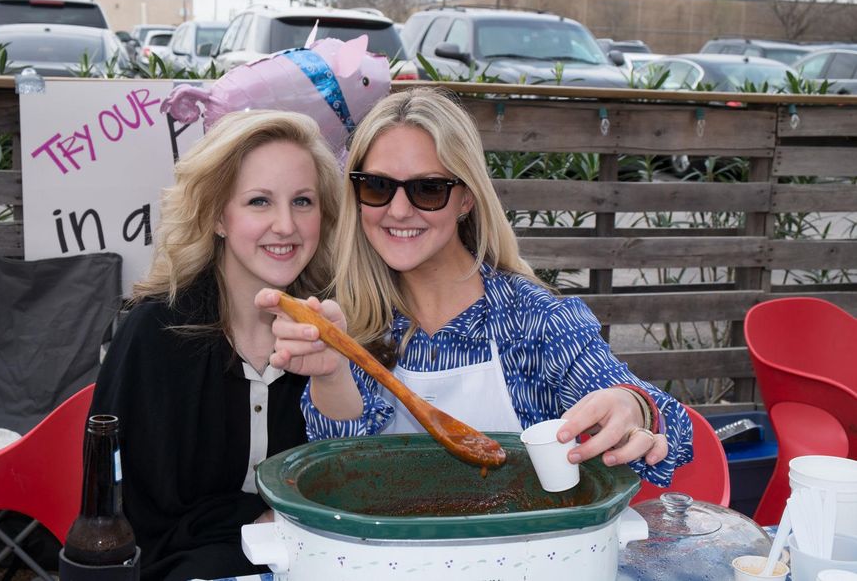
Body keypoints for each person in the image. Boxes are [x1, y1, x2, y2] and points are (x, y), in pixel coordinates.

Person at [257, 87, 693, 485]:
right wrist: (332, 374)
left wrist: (634, 407)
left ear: (466, 198)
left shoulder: (534, 320)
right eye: (378, 186)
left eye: (428, 189)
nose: (399, 210)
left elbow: (670, 428)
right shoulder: (351, 322)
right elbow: (341, 475)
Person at [91, 109, 341, 580]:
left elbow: (349, 482)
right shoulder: (155, 333)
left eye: (303, 201)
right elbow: (130, 511)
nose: (286, 225)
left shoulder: (329, 329)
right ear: (217, 217)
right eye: (259, 201)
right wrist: (258, 520)